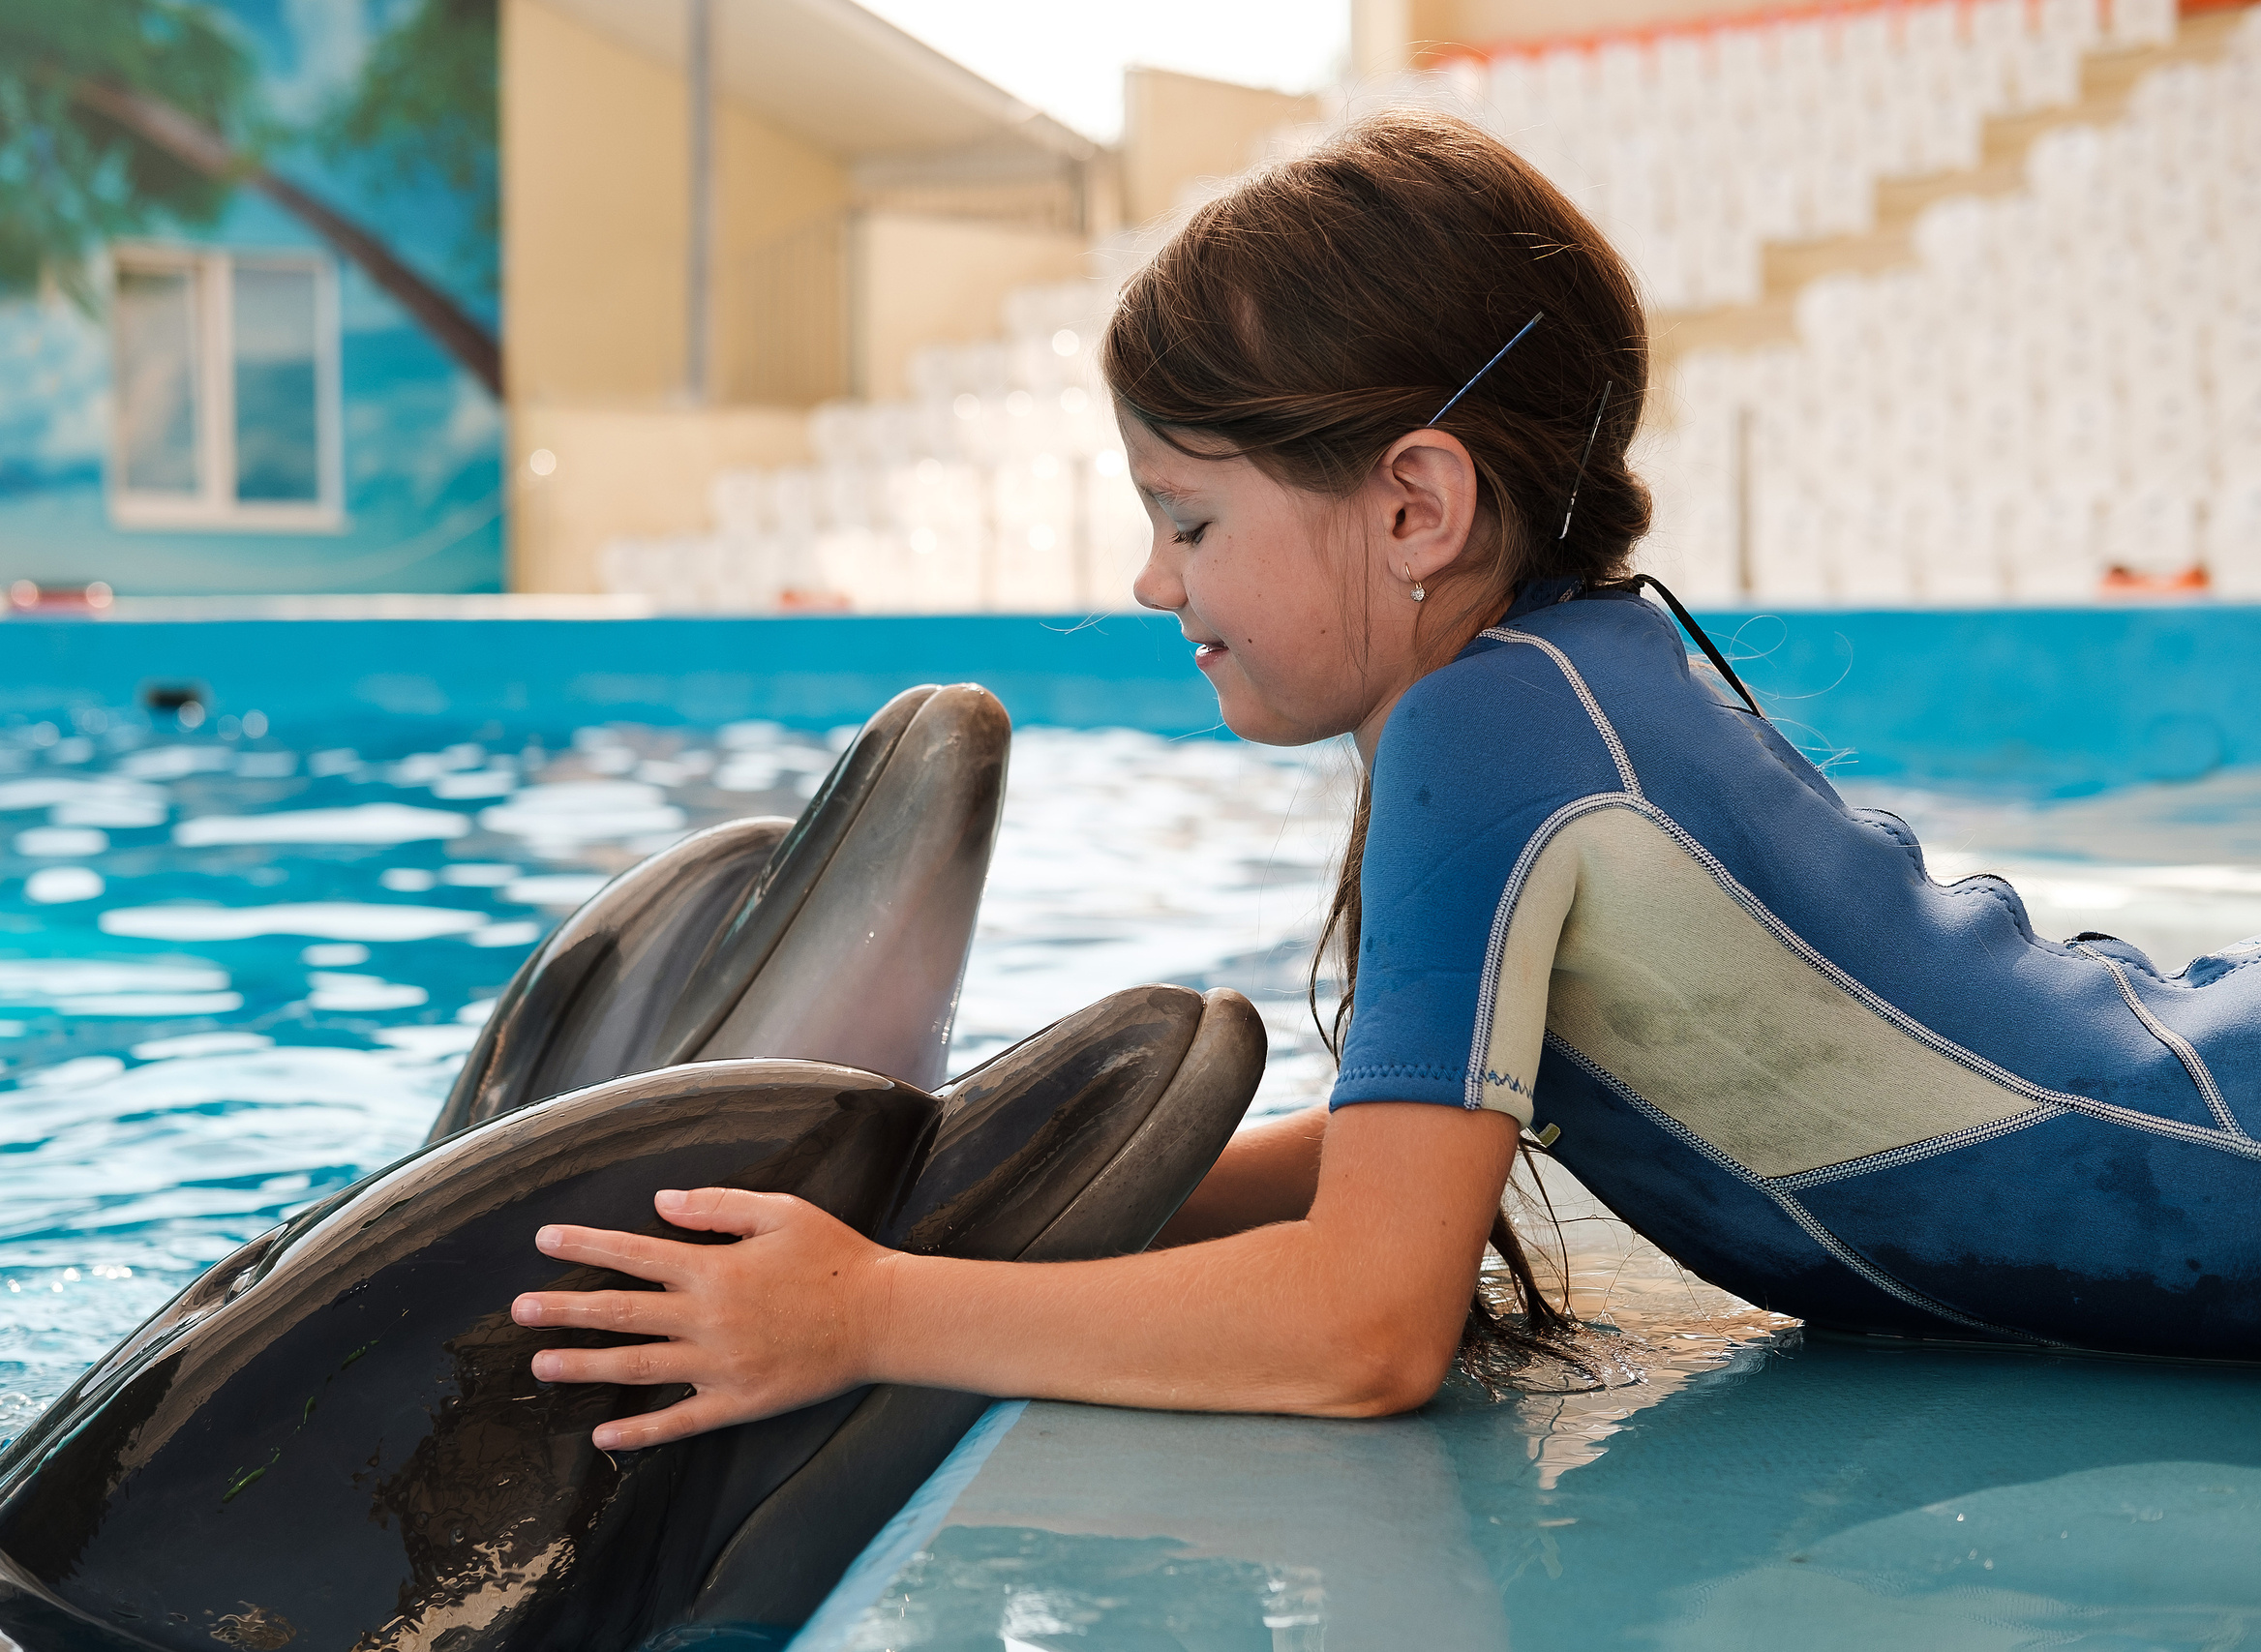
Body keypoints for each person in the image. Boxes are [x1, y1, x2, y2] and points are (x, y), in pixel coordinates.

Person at [511, 111, 2261, 1448]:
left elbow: (1362, 1329)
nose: (1151, 582)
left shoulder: (1487, 732)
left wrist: (869, 1315)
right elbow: (1391, 1171)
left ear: (1417, 506)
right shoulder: (1552, 688)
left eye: (1190, 519)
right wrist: (967, 1218)